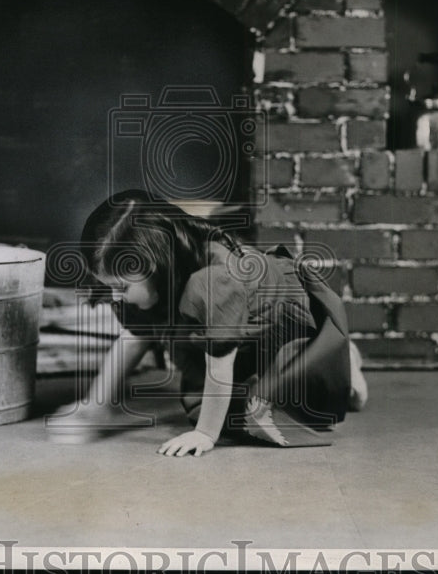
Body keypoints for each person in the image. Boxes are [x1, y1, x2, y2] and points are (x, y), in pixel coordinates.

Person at [49, 190, 368, 456]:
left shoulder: (214, 283)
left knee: (281, 408)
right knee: (215, 401)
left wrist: (205, 435)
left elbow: (219, 366)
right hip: (230, 334)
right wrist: (96, 404)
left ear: (159, 266)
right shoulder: (148, 286)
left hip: (282, 326)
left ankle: (339, 357)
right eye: (110, 287)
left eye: (122, 287)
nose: (116, 297)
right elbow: (132, 339)